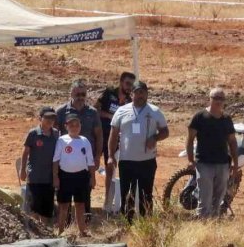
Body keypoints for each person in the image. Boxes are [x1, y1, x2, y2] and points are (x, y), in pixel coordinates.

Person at [106, 80, 169, 222]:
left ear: (147, 94)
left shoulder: (154, 111)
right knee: (127, 194)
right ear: (131, 94)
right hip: (127, 161)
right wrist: (110, 156)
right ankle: (128, 225)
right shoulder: (121, 111)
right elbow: (113, 134)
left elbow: (165, 131)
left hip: (147, 161)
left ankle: (146, 224)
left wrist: (155, 137)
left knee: (146, 194)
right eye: (137, 92)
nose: (140, 95)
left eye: (143, 92)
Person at [186, 87, 238, 218]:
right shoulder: (199, 117)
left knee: (218, 198)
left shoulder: (227, 119)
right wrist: (190, 160)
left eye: (221, 98)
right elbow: (190, 139)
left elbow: (232, 142)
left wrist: (235, 164)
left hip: (222, 164)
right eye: (216, 98)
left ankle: (213, 224)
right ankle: (203, 226)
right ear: (210, 99)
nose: (218, 101)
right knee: (205, 199)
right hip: (204, 164)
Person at [56, 79, 102, 216]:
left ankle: (85, 221)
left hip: (86, 161)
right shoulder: (61, 111)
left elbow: (99, 136)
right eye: (78, 94)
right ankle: (66, 222)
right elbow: (54, 134)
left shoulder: (92, 113)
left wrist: (98, 156)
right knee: (65, 193)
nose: (81, 97)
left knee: (85, 191)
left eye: (83, 94)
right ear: (71, 93)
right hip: (66, 161)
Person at [96, 71, 135, 210]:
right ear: (121, 82)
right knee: (95, 165)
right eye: (127, 83)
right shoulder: (108, 93)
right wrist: (111, 116)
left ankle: (111, 201)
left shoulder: (130, 101)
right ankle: (100, 198)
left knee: (111, 168)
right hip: (101, 135)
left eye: (132, 85)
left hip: (117, 139)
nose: (129, 87)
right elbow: (96, 110)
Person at [53, 113, 96, 237]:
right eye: (71, 125)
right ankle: (61, 230)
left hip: (81, 177)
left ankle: (82, 230)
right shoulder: (62, 140)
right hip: (65, 176)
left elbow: (90, 161)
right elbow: (55, 160)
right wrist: (55, 177)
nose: (74, 127)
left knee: (80, 204)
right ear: (66, 126)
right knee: (63, 205)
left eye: (77, 125)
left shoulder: (85, 141)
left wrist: (92, 177)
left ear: (80, 126)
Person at [20, 107, 60, 221]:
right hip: (35, 177)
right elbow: (25, 152)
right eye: (47, 117)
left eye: (52, 117)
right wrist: (22, 170)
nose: (50, 120)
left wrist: (56, 176)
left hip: (49, 178)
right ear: (40, 118)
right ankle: (34, 232)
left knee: (46, 210)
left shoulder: (56, 134)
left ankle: (44, 233)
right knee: (33, 209)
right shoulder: (33, 133)